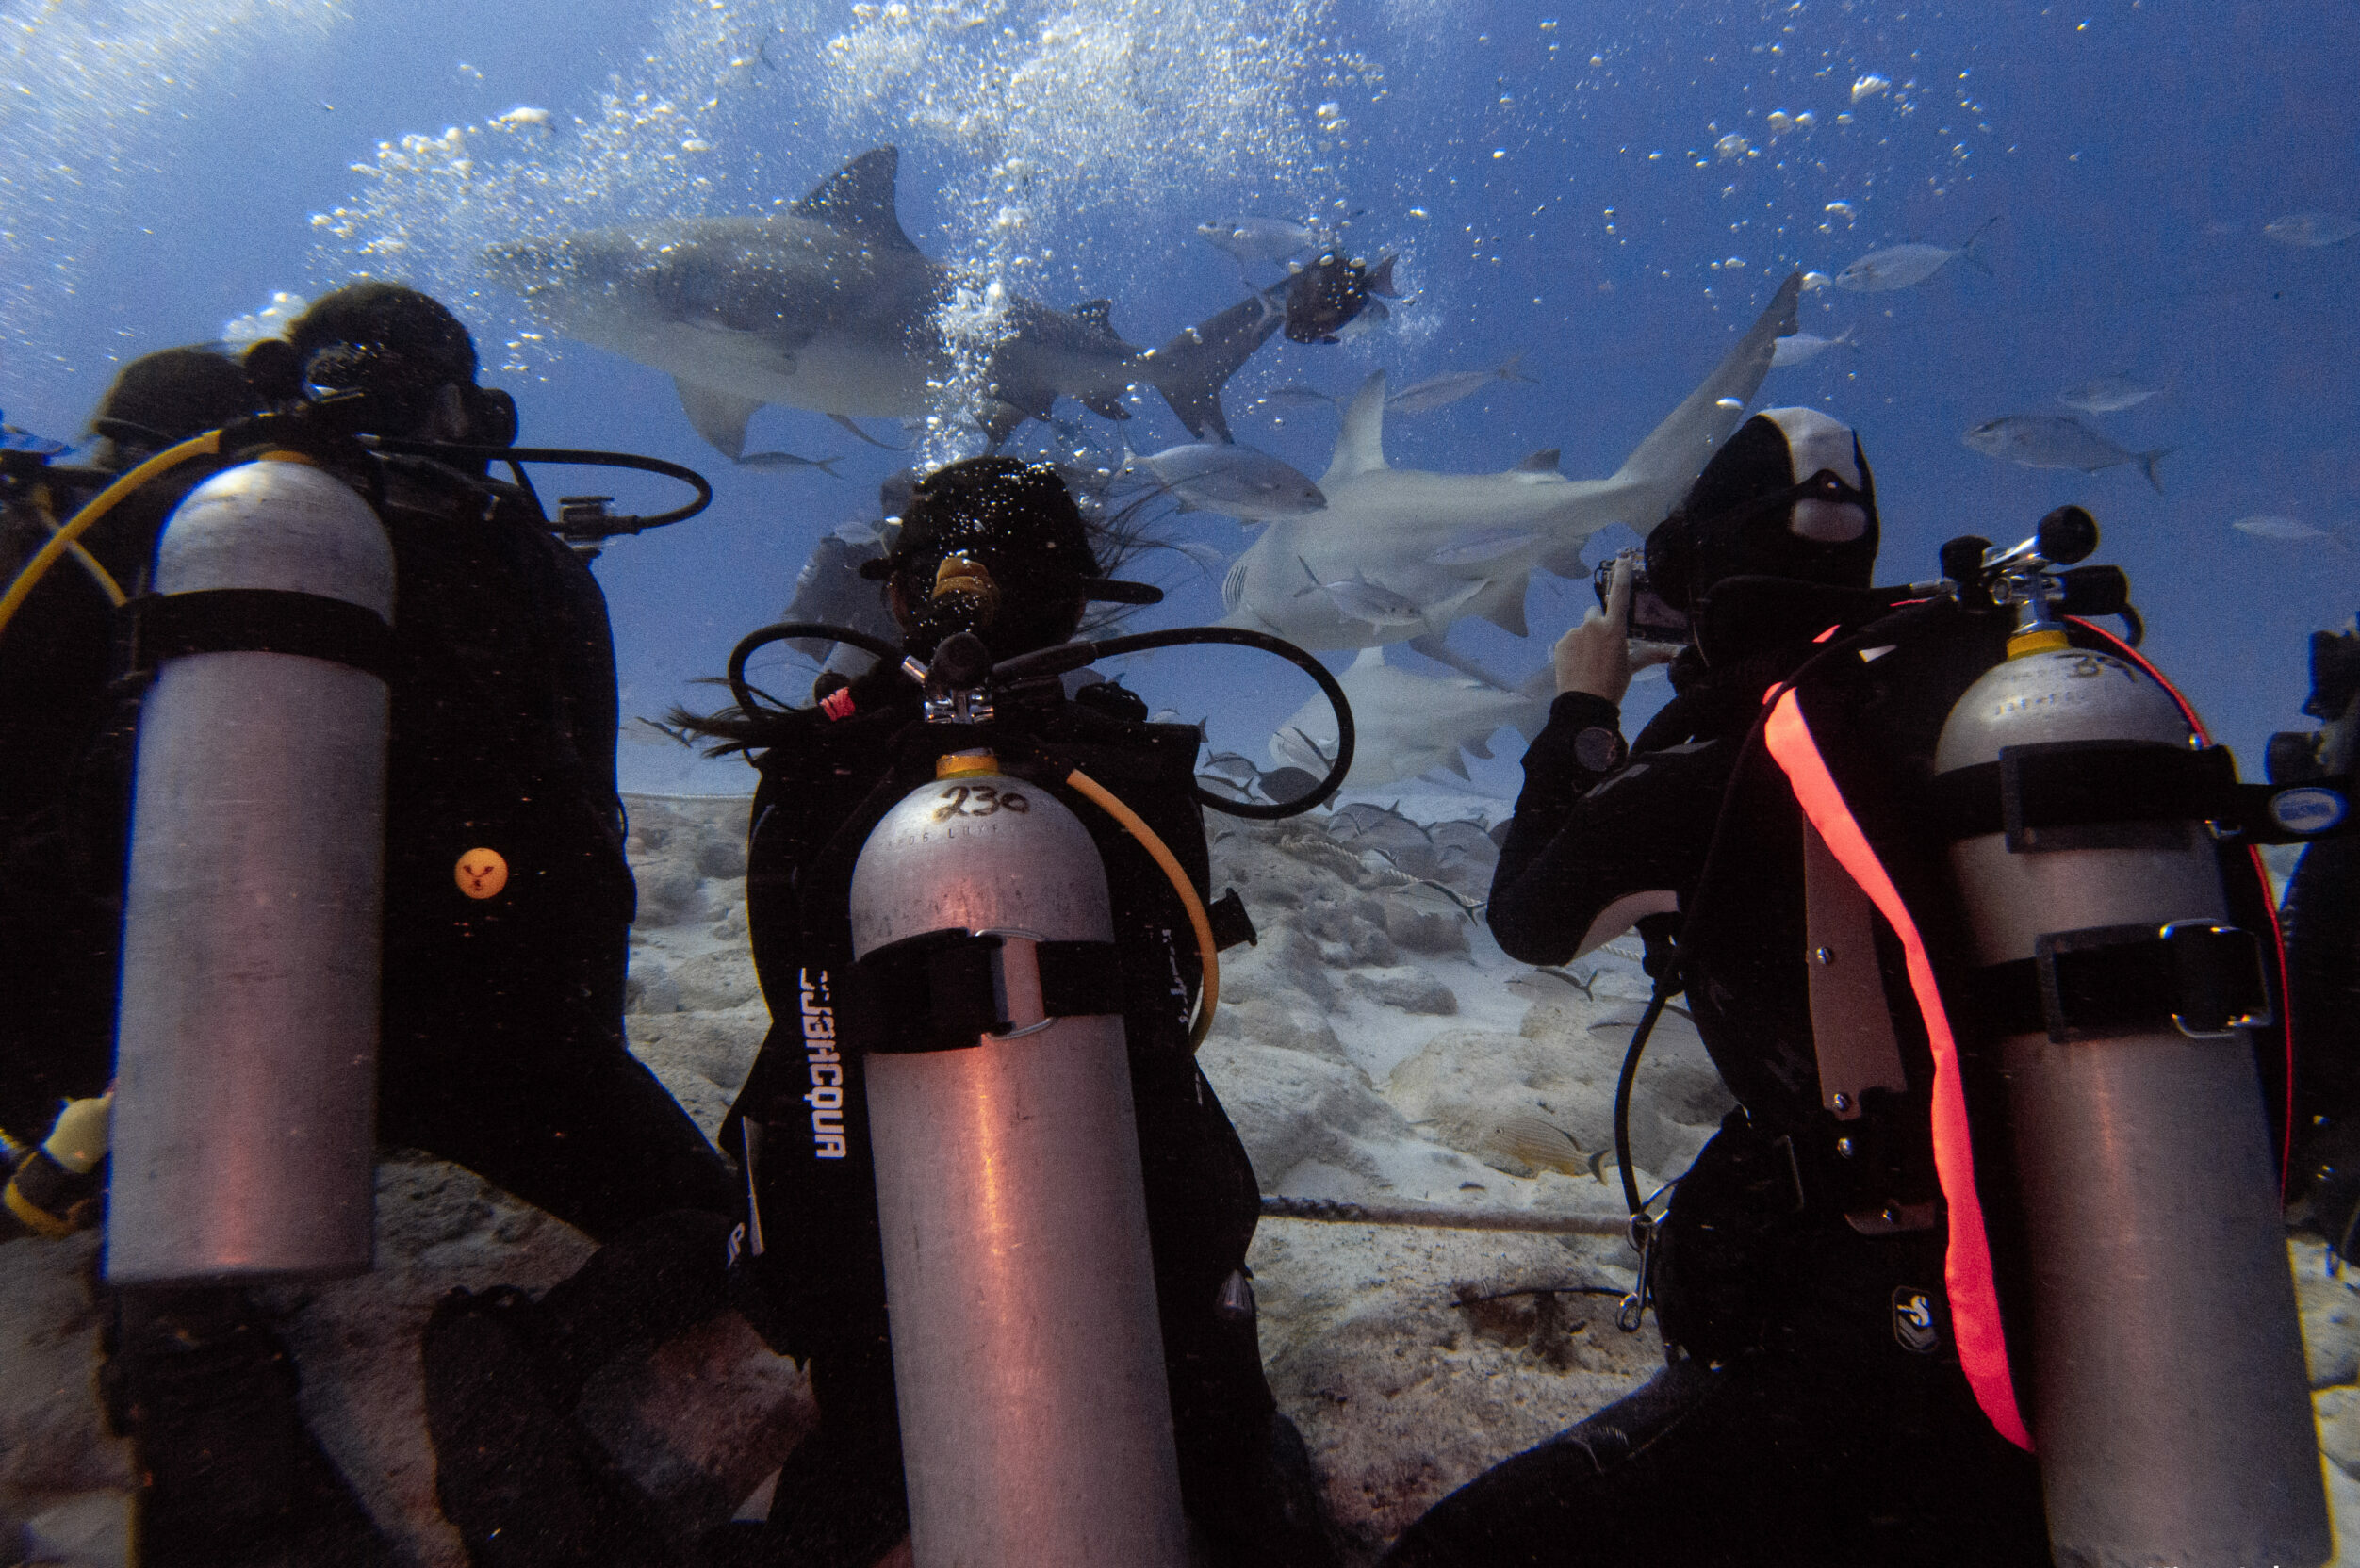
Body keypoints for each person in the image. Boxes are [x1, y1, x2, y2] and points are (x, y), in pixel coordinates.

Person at [0, 286, 740, 1563]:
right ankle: (519, 1354)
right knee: (718, 1235)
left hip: (164, 1066)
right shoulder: (519, 560)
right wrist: (576, 1047)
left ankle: (196, 1388)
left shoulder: (157, 526)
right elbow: (584, 860)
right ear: (471, 412)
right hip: (487, 1044)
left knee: (186, 1292)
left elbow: (60, 836)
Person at [1379, 409, 2056, 1567]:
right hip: (2087, 1262)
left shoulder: (1739, 744)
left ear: (1697, 572)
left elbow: (1531, 919)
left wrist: (1583, 707)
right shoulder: (1961, 680)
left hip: (1902, 1324)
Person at [701, 456, 1333, 1567]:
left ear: (898, 596)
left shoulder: (808, 762)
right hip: (1146, 1258)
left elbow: (789, 988)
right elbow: (1178, 988)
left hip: (865, 1269)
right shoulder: (1130, 765)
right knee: (1237, 1474)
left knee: (859, 1450)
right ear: (1079, 606)